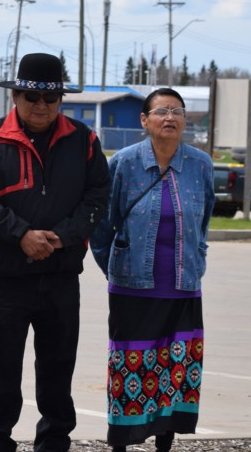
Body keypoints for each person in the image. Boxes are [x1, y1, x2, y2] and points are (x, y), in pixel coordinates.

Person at [0, 52, 110, 452]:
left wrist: (62, 237)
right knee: (0, 373)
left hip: (62, 277)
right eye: (31, 97)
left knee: (58, 370)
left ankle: (54, 442)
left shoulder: (85, 141)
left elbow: (97, 197)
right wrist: (22, 234)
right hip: (6, 279)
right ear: (15, 97)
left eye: (50, 99)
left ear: (61, 100)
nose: (41, 106)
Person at [89, 87, 214, 452]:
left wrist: (198, 260)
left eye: (177, 111)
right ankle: (122, 443)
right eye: (161, 111)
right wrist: (116, 269)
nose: (170, 118)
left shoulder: (201, 165)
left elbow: (204, 221)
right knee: (130, 366)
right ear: (144, 120)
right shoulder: (124, 164)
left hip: (183, 285)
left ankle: (165, 440)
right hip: (132, 287)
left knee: (174, 367)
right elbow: (102, 227)